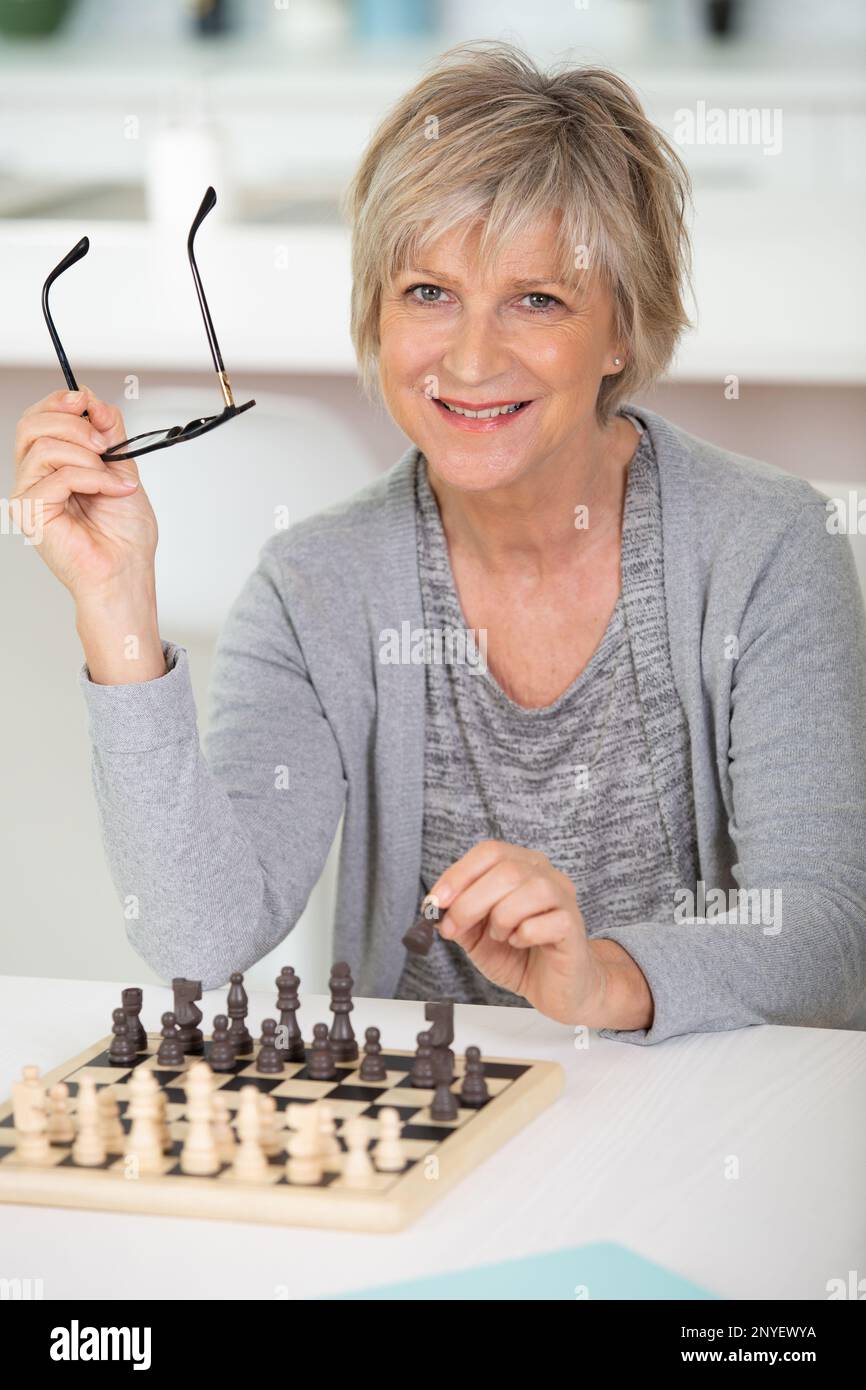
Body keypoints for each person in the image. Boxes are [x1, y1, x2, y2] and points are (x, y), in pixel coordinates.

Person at [12, 42, 866, 1044]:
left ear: (621, 332)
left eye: (535, 299)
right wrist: (116, 607)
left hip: (706, 1131)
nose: (467, 358)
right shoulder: (314, 586)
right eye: (427, 292)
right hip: (424, 1147)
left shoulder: (766, 547)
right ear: (376, 311)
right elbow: (200, 935)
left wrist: (597, 978)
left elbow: (825, 933)